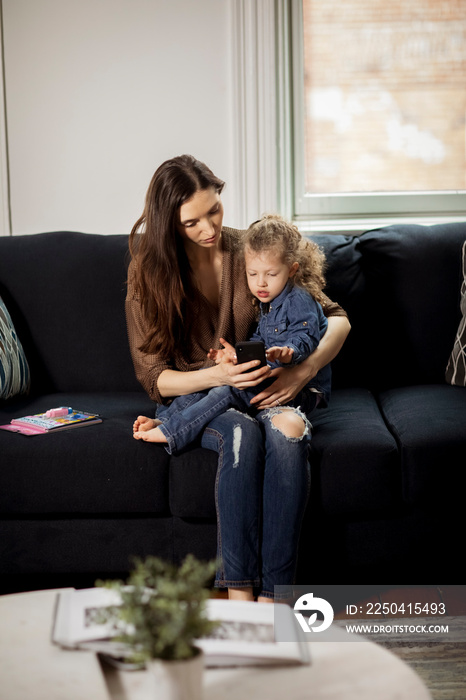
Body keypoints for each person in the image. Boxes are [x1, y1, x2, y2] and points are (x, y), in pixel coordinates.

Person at [125, 154, 350, 603]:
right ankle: (240, 597)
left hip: (259, 389)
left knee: (286, 434)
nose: (208, 228)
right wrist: (217, 374)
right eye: (192, 222)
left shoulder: (249, 248)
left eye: (214, 210)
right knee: (242, 434)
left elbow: (337, 318)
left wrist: (303, 369)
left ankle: (276, 597)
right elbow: (155, 380)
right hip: (197, 397)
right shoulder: (146, 272)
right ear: (167, 222)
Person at [132, 214, 332, 453]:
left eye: (271, 274)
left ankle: (174, 431)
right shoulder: (267, 302)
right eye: (253, 274)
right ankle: (166, 419)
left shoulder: (298, 297)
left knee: (229, 389)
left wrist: (288, 353)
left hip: (300, 389)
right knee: (211, 372)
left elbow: (306, 336)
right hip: (270, 374)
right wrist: (237, 356)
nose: (261, 283)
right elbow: (260, 341)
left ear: (292, 270)